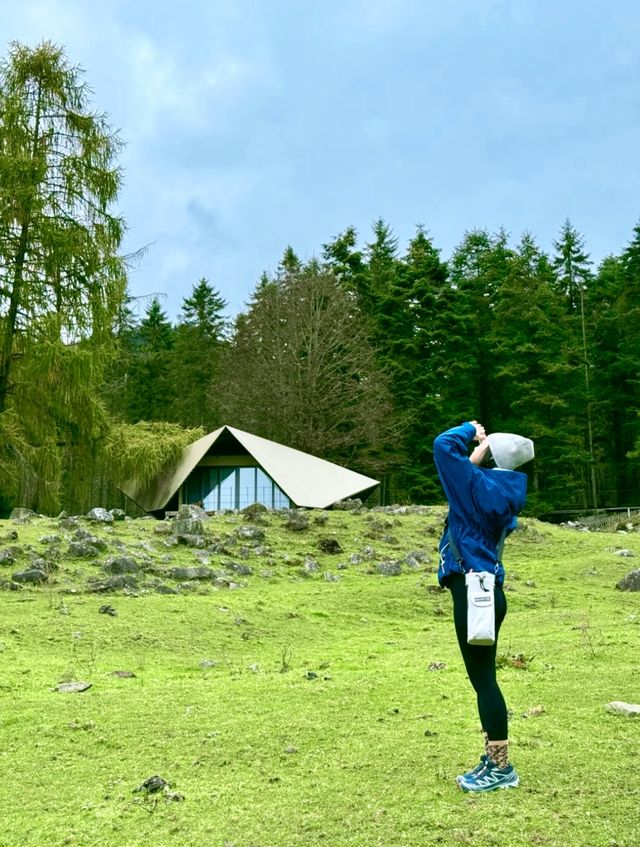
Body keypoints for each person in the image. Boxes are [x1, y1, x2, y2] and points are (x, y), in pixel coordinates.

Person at [433, 420, 534, 793]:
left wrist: (468, 430)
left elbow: (444, 445)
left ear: (491, 455)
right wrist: (479, 456)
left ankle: (501, 767)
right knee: (483, 680)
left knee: (484, 682)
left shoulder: (475, 485)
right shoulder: (502, 490)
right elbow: (471, 485)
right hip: (489, 591)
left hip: (474, 594)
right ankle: (493, 758)